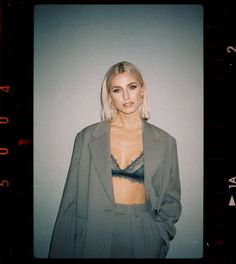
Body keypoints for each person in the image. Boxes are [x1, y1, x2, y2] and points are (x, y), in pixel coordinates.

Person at [48, 61, 181, 258]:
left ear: (142, 90)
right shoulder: (86, 137)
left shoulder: (166, 141)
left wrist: (159, 235)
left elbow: (171, 199)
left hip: (144, 233)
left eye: (132, 87)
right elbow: (70, 200)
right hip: (94, 231)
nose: (126, 96)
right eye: (117, 90)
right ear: (109, 97)